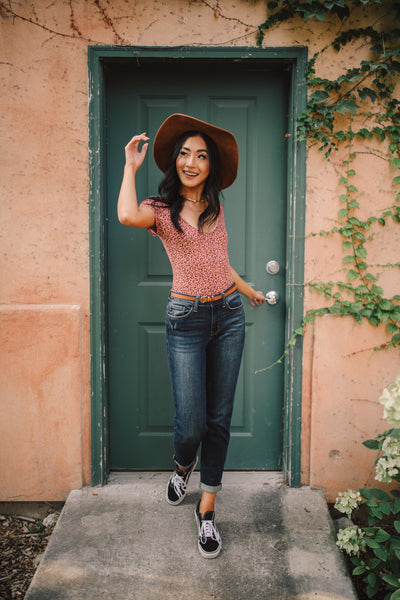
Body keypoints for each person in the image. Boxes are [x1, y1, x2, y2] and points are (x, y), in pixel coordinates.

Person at [117, 114, 265, 559]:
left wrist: (246, 289)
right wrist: (129, 166)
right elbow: (126, 215)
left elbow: (218, 260)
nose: (192, 161)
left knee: (219, 420)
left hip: (230, 315)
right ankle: (183, 465)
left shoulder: (218, 206)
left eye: (201, 155)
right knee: (192, 422)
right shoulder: (160, 210)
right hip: (185, 319)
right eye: (185, 153)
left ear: (210, 165)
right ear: (175, 162)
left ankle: (207, 511)